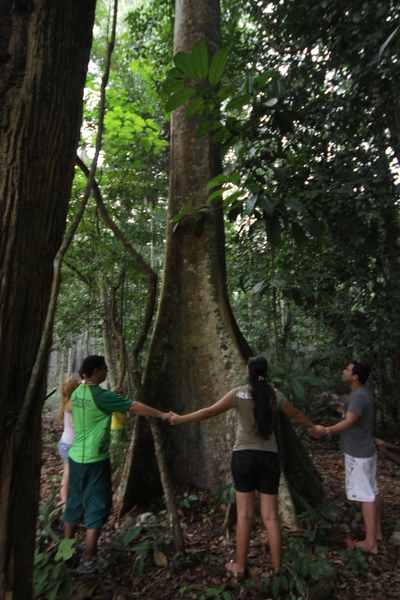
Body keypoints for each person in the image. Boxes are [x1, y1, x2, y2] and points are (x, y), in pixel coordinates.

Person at [169, 355, 319, 578]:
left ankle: (240, 566)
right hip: (269, 458)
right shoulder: (274, 395)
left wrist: (179, 419)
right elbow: (296, 415)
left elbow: (209, 411)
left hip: (244, 457)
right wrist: (315, 428)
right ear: (266, 372)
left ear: (248, 371)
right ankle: (278, 570)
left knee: (245, 515)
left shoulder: (238, 393)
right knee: (271, 517)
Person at [63, 355, 170, 575]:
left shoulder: (77, 393)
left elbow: (95, 409)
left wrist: (112, 399)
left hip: (75, 457)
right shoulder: (100, 395)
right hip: (95, 460)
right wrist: (162, 414)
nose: (107, 372)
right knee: (97, 507)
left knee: (74, 505)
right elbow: (134, 406)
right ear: (95, 372)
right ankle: (89, 560)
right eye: (104, 369)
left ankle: (66, 554)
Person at [316, 361, 381, 553]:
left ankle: (370, 543)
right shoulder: (360, 393)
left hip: (359, 453)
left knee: (366, 495)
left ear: (355, 377)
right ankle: (376, 533)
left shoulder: (359, 395)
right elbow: (352, 415)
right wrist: (340, 409)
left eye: (347, 370)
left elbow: (351, 421)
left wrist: (327, 430)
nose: (343, 371)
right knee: (372, 490)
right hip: (364, 450)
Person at [57, 375, 80, 505]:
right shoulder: (73, 405)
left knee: (68, 473)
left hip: (65, 443)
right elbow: (76, 425)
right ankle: (65, 501)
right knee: (68, 474)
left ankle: (67, 499)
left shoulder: (67, 403)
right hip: (70, 445)